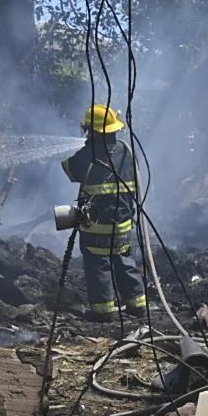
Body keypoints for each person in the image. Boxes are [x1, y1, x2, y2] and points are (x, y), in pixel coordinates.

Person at [61, 104, 147, 321]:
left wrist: (85, 150)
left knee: (98, 265)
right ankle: (137, 306)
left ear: (93, 130)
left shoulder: (87, 155)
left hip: (96, 225)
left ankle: (103, 312)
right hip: (124, 223)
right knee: (124, 261)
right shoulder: (127, 150)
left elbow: (70, 170)